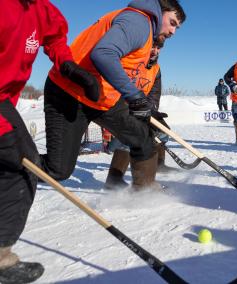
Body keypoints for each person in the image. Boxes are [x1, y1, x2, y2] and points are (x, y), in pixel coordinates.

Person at [0, 1, 100, 283]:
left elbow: (54, 36)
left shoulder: (41, 8)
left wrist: (67, 65)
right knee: (22, 167)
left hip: (6, 98)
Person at [41, 0, 186, 192]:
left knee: (142, 137)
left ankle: (146, 192)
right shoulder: (139, 22)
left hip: (102, 97)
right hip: (70, 92)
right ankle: (9, 164)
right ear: (160, 12)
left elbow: (125, 74)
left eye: (177, 27)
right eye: (172, 22)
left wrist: (147, 108)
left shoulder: (146, 31)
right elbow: (104, 54)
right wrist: (135, 97)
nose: (173, 32)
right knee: (57, 169)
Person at [104, 39, 175, 190]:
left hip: (143, 109)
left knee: (162, 132)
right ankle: (118, 180)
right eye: (152, 47)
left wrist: (152, 111)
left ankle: (158, 165)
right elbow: (115, 86)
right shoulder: (132, 61)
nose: (155, 50)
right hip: (122, 107)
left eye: (158, 48)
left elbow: (154, 94)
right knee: (130, 138)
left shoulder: (156, 69)